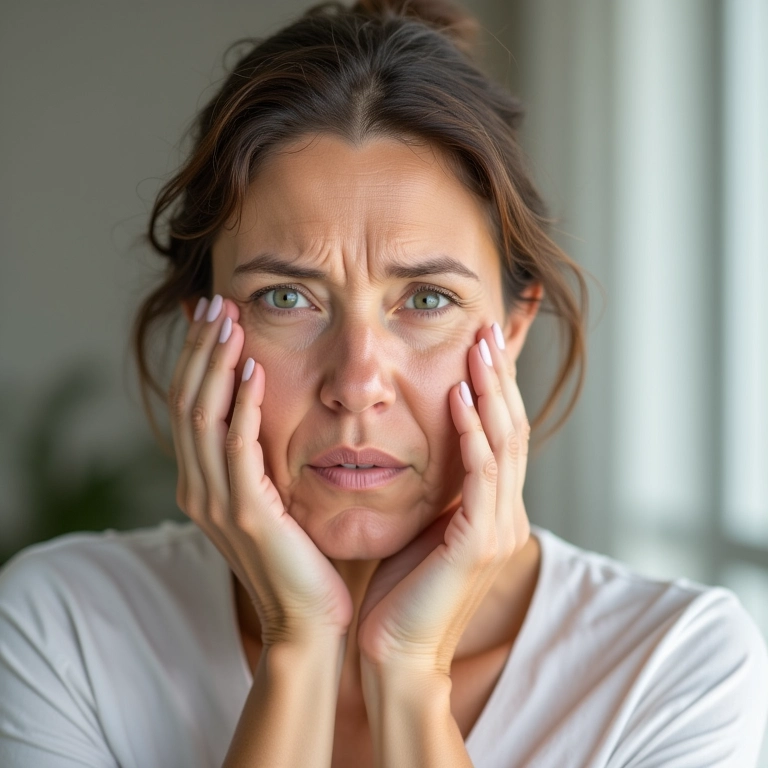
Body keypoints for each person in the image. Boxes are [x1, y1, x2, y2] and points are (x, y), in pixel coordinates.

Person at [1, 0, 767, 766]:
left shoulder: (672, 668)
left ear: (515, 327)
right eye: (285, 297)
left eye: (427, 299)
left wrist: (410, 674)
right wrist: (296, 644)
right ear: (201, 327)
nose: (358, 382)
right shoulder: (64, 628)